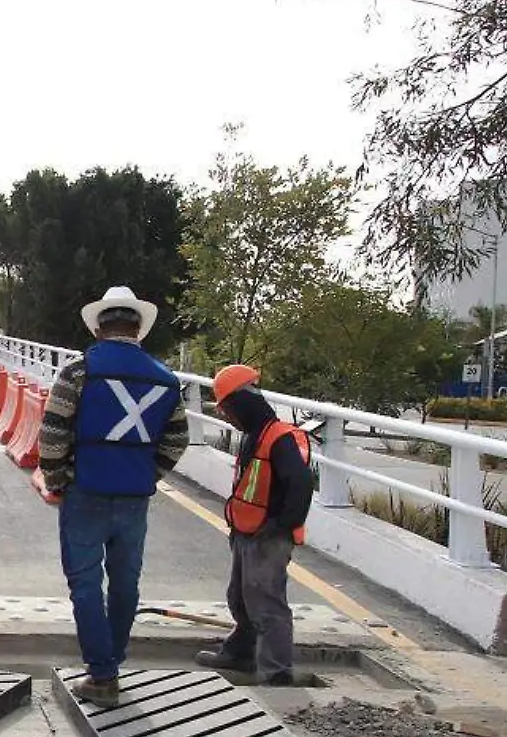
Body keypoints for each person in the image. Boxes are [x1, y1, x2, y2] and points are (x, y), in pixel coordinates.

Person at [37, 285, 189, 708]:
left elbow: (52, 433)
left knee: (85, 583)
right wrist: (147, 474)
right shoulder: (165, 379)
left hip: (84, 492)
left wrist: (57, 481)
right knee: (125, 583)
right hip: (134, 498)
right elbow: (177, 441)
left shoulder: (78, 372)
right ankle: (113, 661)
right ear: (138, 328)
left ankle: (101, 675)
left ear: (100, 328)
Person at [195, 364, 311, 686]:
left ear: (240, 402)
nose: (227, 417)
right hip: (247, 531)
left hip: (268, 536)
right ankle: (240, 654)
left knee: (266, 603)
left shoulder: (279, 438)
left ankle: (276, 673)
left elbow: (300, 484)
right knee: (241, 597)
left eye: (228, 410)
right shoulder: (254, 435)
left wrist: (279, 526)